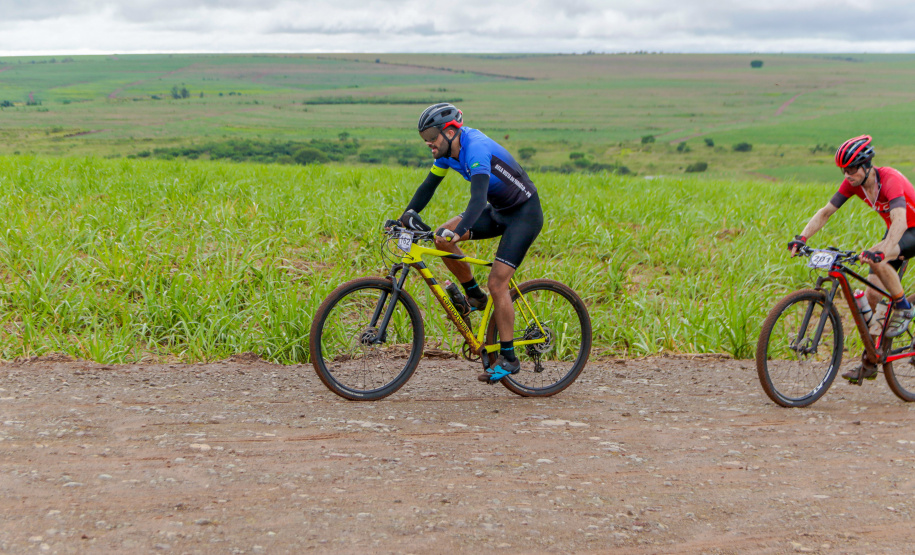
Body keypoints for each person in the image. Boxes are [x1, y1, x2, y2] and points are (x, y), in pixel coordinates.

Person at [396, 103, 544, 384]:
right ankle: (474, 296)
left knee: (498, 282)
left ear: (451, 130)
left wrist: (460, 230)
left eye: (432, 135)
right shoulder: (446, 154)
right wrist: (403, 219)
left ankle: (510, 358)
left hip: (524, 215)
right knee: (441, 238)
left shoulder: (475, 147)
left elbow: (477, 200)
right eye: (423, 136)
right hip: (499, 211)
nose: (428, 142)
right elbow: (427, 188)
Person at [789, 135, 915, 381]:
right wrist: (801, 238)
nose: (847, 174)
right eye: (843, 169)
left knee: (878, 258)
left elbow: (899, 221)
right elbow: (826, 212)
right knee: (872, 295)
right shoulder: (853, 184)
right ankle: (873, 358)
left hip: (911, 228)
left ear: (867, 166)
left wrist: (885, 249)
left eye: (852, 168)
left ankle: (903, 306)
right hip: (897, 231)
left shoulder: (889, 180)